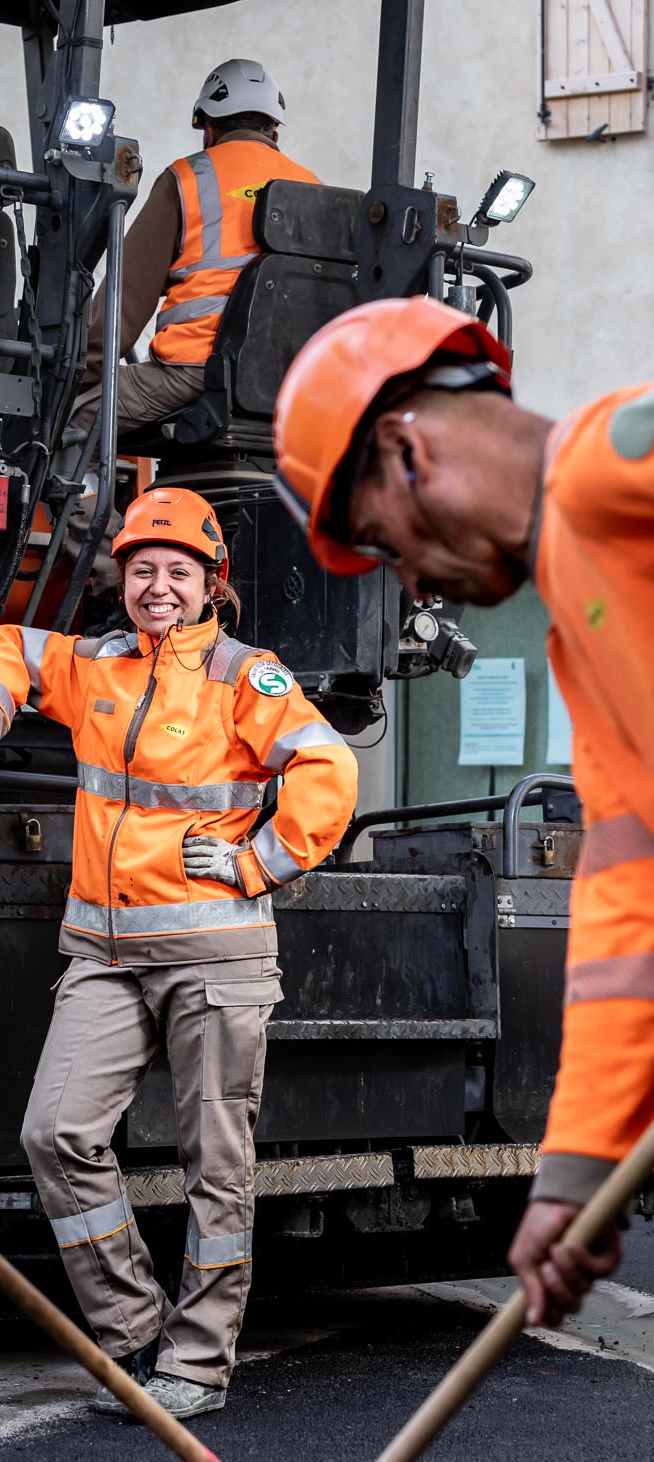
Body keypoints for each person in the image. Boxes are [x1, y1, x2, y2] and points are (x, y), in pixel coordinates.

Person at [271, 295, 654, 1331]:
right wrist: (575, 1166)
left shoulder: (612, 466)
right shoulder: (582, 637)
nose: (401, 574)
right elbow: (627, 908)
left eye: (376, 541)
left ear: (404, 449)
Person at [0, 487, 357, 1419]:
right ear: (120, 577)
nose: (158, 587)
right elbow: (8, 647)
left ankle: (197, 1366)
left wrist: (255, 863)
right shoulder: (95, 665)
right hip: (105, 954)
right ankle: (133, 1337)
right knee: (56, 1133)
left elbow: (330, 771)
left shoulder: (248, 676)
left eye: (178, 572)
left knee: (216, 1163)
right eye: (142, 570)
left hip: (215, 958)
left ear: (213, 585)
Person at [71, 58, 319, 442]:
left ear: (208, 126)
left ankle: (95, 505)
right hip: (290, 382)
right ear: (273, 130)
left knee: (70, 418)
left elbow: (126, 298)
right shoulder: (312, 187)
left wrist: (78, 372)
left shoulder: (187, 179)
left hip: (195, 371)